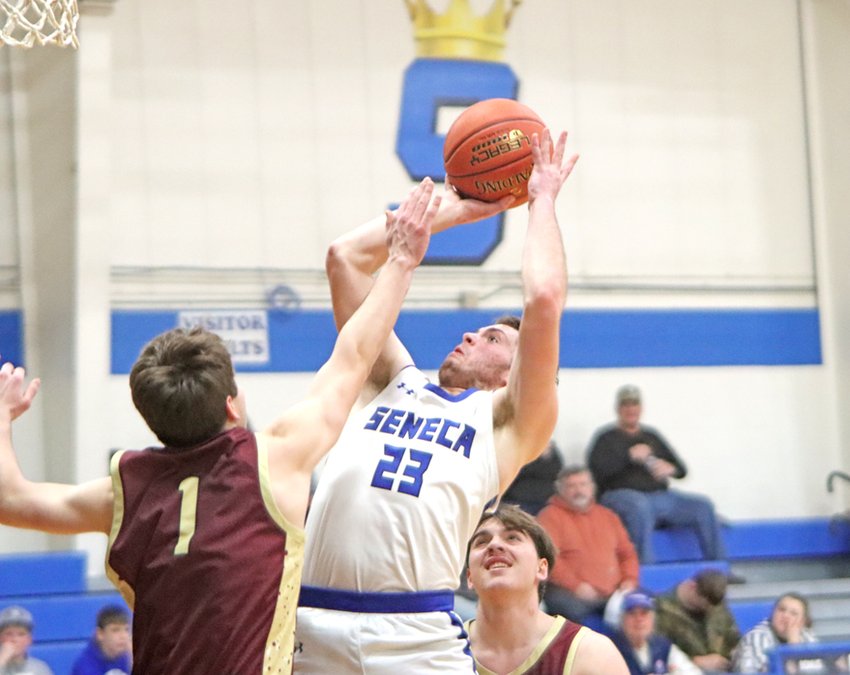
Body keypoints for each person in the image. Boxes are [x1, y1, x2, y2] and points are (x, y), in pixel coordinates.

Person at [0, 178, 438, 674]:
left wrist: (3, 419)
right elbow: (355, 353)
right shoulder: (273, 460)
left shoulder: (123, 492)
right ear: (233, 406)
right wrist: (401, 260)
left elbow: (10, 499)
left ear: (152, 419)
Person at [295, 129, 579, 673]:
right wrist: (460, 211)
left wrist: (541, 200)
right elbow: (344, 257)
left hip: (416, 635)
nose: (470, 336)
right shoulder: (390, 380)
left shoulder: (507, 425)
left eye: (492, 339)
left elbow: (543, 298)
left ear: (515, 374)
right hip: (312, 623)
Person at [465, 504, 629, 675]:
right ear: (469, 577)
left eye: (512, 538)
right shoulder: (448, 649)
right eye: (481, 542)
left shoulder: (592, 654)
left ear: (541, 568)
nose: (494, 544)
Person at [587, 384, 726, 564]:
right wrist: (628, 457)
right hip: (621, 496)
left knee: (702, 505)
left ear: (641, 408)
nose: (631, 409)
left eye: (635, 404)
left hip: (660, 496)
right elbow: (597, 473)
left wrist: (670, 468)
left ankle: (719, 567)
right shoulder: (605, 438)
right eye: (626, 405)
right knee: (639, 506)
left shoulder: (651, 436)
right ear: (618, 409)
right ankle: (644, 569)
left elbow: (681, 470)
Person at [536, 465, 639, 627]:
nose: (579, 490)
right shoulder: (549, 517)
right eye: (571, 486)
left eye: (583, 484)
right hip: (571, 593)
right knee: (567, 609)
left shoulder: (607, 516)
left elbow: (627, 553)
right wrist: (576, 586)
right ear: (560, 490)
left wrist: (629, 580)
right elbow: (548, 558)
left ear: (592, 487)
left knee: (642, 606)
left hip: (613, 593)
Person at [654, 569, 740, 672]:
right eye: (704, 604)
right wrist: (694, 662)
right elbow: (657, 655)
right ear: (693, 587)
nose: (710, 610)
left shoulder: (715, 604)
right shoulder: (661, 611)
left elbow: (733, 639)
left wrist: (735, 655)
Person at [731, 592, 834, 673]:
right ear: (772, 613)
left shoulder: (808, 636)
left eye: (793, 613)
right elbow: (755, 671)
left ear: (802, 622)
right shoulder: (756, 636)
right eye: (781, 610)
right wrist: (793, 647)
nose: (786, 616)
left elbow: (817, 670)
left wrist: (794, 644)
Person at [609, 590, 701, 675]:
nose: (639, 619)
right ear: (622, 619)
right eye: (632, 613)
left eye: (644, 613)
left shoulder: (662, 646)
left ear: (653, 618)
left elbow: (694, 672)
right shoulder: (610, 649)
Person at [502, 440, 564, 515]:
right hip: (520, 498)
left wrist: (547, 456)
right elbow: (517, 472)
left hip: (546, 498)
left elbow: (557, 472)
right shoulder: (518, 451)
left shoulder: (552, 453)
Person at [71, 605, 132, 675]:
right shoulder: (86, 666)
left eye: (126, 630)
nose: (123, 636)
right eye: (115, 630)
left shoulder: (126, 657)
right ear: (100, 634)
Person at [0, 605, 53, 675]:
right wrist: (2, 658)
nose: (15, 639)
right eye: (9, 634)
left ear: (29, 639)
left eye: (21, 634)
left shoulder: (40, 668)